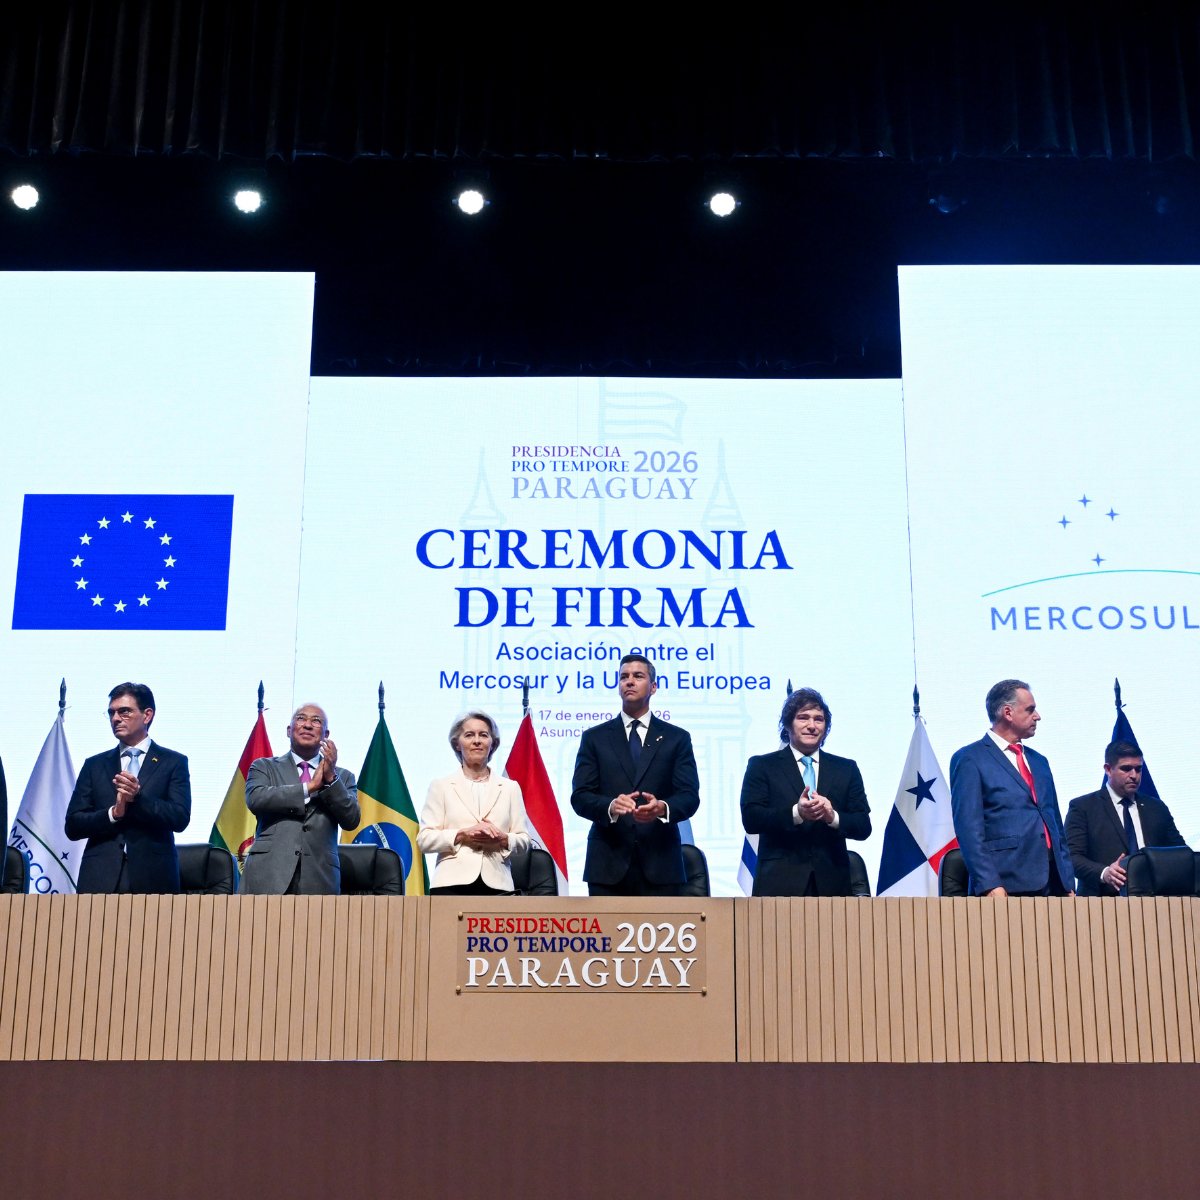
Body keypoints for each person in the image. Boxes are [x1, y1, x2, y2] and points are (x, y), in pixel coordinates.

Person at [570, 653, 700, 896]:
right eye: (623, 677)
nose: (629, 681)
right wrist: (610, 805)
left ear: (653, 686)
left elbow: (689, 797)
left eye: (638, 676)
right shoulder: (594, 738)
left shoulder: (677, 738)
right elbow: (580, 797)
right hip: (607, 865)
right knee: (607, 935)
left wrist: (662, 808)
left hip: (661, 864)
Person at [739, 687, 871, 896]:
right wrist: (796, 813)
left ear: (826, 727)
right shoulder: (762, 766)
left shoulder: (846, 769)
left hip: (833, 886)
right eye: (803, 718)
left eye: (819, 719)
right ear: (788, 724)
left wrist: (832, 816)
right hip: (778, 885)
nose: (812, 725)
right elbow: (751, 819)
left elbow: (863, 826)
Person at [949, 679, 1075, 897]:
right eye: (1030, 710)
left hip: (1054, 885)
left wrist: (1067, 881)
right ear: (1008, 712)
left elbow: (1055, 824)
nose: (1038, 716)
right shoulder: (970, 759)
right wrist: (989, 884)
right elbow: (969, 830)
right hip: (1006, 884)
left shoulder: (1040, 762)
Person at [64, 682, 191, 893]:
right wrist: (113, 814)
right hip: (99, 878)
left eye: (124, 711)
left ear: (147, 715)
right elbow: (73, 825)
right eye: (111, 713)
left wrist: (138, 798)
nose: (115, 719)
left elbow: (179, 817)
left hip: (154, 879)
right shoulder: (94, 765)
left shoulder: (173, 762)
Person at [242, 703, 360, 895]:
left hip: (320, 877)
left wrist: (330, 779)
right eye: (301, 718)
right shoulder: (264, 767)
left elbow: (351, 819)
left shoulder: (343, 777)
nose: (307, 725)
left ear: (326, 735)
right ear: (289, 731)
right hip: (268, 874)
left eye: (316, 721)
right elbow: (256, 798)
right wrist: (309, 788)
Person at [418, 711, 530, 895]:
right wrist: (462, 834)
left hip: (498, 885)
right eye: (469, 735)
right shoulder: (441, 786)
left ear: (492, 743)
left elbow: (525, 841)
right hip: (450, 884)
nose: (477, 741)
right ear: (457, 743)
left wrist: (503, 838)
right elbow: (425, 840)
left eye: (483, 735)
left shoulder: (510, 788)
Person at [1065, 740, 1189, 896]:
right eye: (1126, 769)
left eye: (1138, 769)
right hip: (1101, 904)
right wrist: (1105, 873)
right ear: (1108, 769)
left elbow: (1181, 855)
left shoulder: (1156, 808)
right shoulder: (1083, 807)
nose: (1134, 775)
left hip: (1157, 903)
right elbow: (1071, 858)